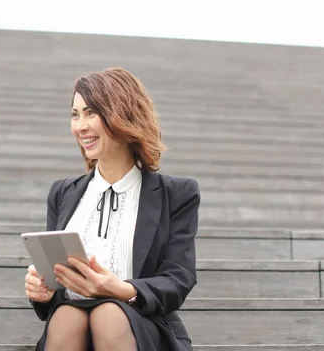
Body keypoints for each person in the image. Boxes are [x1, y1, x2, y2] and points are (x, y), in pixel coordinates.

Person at [24, 67, 200, 351]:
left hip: (142, 324)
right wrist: (42, 294)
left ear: (123, 115)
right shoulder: (62, 193)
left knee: (108, 314)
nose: (80, 126)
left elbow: (178, 278)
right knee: (67, 314)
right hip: (71, 324)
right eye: (75, 114)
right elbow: (58, 289)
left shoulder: (176, 193)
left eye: (91, 113)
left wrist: (121, 290)